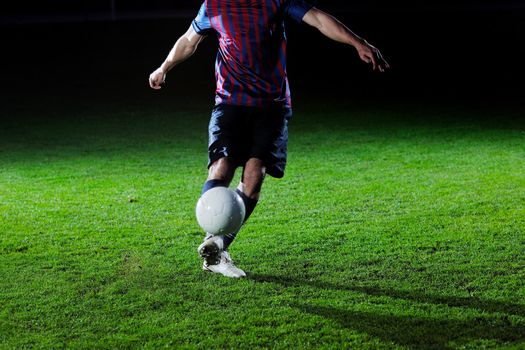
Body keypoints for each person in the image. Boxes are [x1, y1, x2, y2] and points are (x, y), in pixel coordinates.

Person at [149, 0, 389, 278]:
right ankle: (212, 240)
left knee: (254, 176)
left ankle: (219, 246)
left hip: (271, 106)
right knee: (221, 167)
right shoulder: (214, 5)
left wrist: (357, 42)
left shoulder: (275, 2)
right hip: (229, 102)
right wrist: (164, 67)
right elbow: (189, 41)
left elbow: (320, 20)